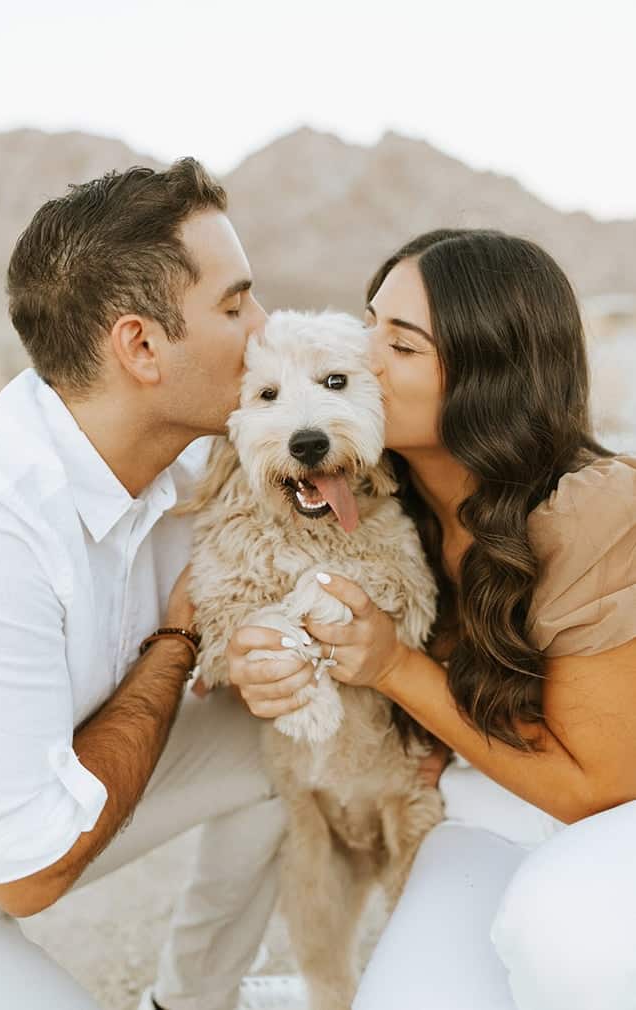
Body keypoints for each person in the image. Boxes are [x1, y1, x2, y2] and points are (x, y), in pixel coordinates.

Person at [227, 229, 636, 1010]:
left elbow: (596, 793)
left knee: (563, 943)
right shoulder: (378, 498)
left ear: (487, 375)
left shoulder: (594, 509)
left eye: (401, 344)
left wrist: (394, 670)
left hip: (611, 808)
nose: (363, 351)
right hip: (489, 793)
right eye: (370, 321)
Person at [0, 160, 293, 1010]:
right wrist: (175, 645)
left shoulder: (199, 463)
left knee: (297, 734)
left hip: (40, 807)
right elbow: (25, 874)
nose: (267, 329)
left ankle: (191, 1001)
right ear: (140, 346)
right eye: (235, 306)